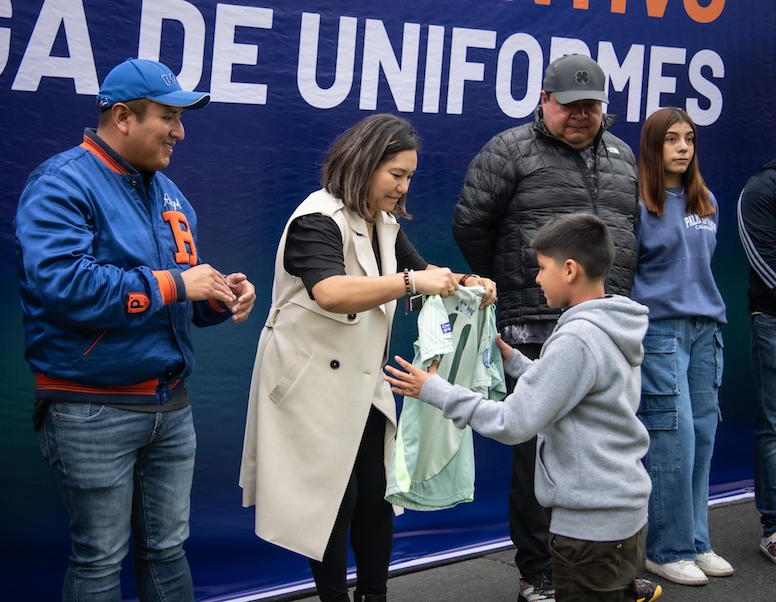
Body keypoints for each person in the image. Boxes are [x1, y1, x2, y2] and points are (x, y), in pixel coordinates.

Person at [15, 58, 256, 601]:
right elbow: (63, 287)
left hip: (170, 405)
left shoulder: (170, 194)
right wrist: (178, 285)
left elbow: (180, 297)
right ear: (123, 116)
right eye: (168, 116)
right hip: (90, 407)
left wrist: (219, 294)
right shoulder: (62, 182)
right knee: (99, 559)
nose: (180, 131)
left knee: (168, 550)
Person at [239, 113, 496, 602]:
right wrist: (411, 282)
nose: (403, 188)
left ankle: (374, 596)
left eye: (410, 178)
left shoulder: (383, 222)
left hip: (360, 382)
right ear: (363, 164)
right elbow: (331, 291)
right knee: (333, 500)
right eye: (396, 175)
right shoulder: (316, 218)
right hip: (309, 383)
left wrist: (467, 284)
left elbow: (425, 272)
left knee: (378, 495)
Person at [452, 54, 660, 602]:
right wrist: (520, 283)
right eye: (569, 106)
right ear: (545, 100)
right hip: (534, 318)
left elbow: (627, 229)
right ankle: (540, 570)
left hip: (602, 321)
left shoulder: (619, 155)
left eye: (591, 107)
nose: (580, 116)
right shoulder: (509, 149)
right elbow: (471, 224)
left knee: (598, 440)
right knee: (535, 452)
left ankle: (604, 558)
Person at [385, 213, 652, 601]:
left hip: (589, 530)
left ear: (571, 270)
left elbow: (514, 422)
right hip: (621, 516)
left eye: (542, 269)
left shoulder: (576, 338)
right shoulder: (610, 324)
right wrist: (513, 360)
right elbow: (574, 392)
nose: (537, 279)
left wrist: (436, 390)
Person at [631, 107, 732, 585]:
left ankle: (697, 542)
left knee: (703, 438)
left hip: (706, 330)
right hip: (662, 334)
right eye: (672, 139)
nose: (683, 147)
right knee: (675, 442)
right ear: (654, 146)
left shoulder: (704, 199)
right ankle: (666, 549)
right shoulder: (638, 203)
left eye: (689, 138)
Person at [736, 160, 776, 563]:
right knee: (775, 424)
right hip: (772, 320)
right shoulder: (762, 188)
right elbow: (764, 265)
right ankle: (775, 528)